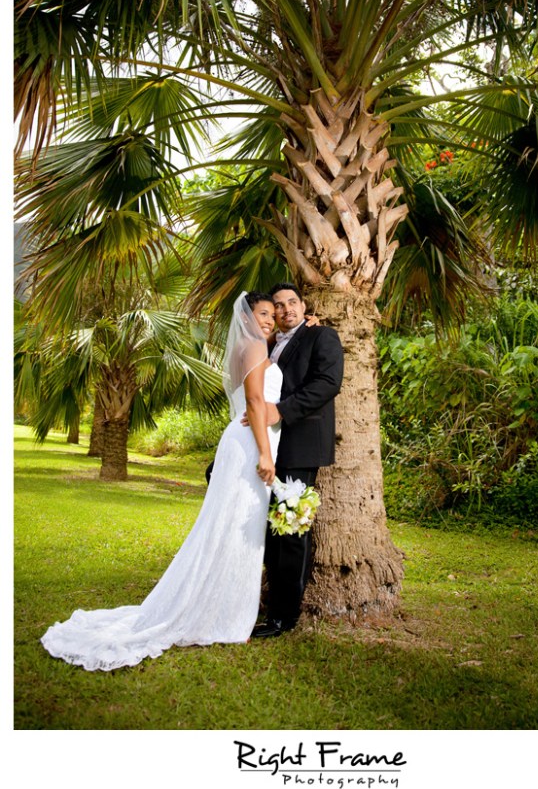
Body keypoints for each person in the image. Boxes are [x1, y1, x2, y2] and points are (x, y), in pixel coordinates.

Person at [40, 292, 282, 671]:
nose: (269, 320)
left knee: (229, 528)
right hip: (252, 445)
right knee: (237, 529)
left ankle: (222, 609)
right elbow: (253, 402)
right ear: (248, 316)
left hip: (243, 440)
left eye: (272, 314)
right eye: (263, 313)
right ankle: (227, 618)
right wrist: (266, 455)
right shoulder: (253, 348)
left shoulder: (245, 347)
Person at [251, 282, 344, 638]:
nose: (287, 308)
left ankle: (283, 617)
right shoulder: (270, 344)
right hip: (269, 448)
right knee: (269, 529)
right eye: (279, 305)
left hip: (301, 443)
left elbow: (327, 383)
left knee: (290, 530)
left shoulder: (323, 337)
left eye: (293, 302)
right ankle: (268, 599)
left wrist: (281, 412)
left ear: (304, 305)